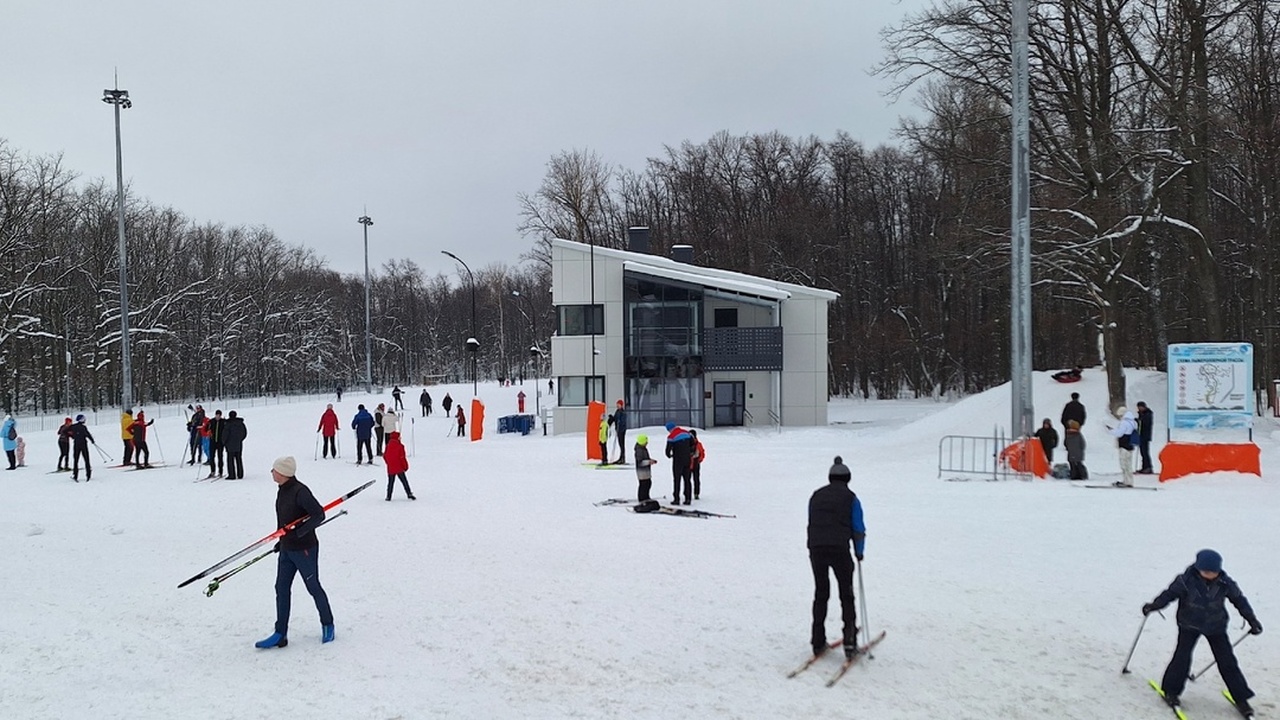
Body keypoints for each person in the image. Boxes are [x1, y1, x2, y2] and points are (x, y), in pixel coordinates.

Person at [1143, 549, 1262, 716]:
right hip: (1189, 625)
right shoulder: (1185, 580)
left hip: (1216, 626)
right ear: (1198, 568)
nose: (1209, 575)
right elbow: (1169, 594)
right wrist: (1154, 605)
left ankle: (1241, 698)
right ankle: (1171, 691)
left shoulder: (1225, 583)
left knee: (1227, 661)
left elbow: (1239, 600)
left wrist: (1252, 619)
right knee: (1182, 658)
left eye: (1213, 572)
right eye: (1206, 571)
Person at [255, 456, 335, 649]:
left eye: (274, 469)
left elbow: (319, 515)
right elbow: (283, 520)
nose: (272, 472)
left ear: (283, 472)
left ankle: (327, 624)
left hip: (305, 549)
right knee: (281, 589)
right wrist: (281, 540)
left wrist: (299, 532)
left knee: (313, 587)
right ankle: (280, 633)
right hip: (287, 549)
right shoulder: (282, 490)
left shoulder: (301, 491)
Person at [807, 456, 867, 660]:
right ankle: (850, 642)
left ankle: (817, 641)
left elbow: (812, 521)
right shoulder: (851, 498)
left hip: (816, 549)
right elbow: (858, 529)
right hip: (840, 549)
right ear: (848, 478)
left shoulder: (816, 495)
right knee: (846, 595)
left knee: (821, 593)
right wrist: (859, 552)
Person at [664, 422, 694, 505]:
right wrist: (690, 451)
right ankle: (688, 498)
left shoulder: (671, 437)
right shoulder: (687, 433)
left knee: (677, 480)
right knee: (687, 480)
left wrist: (669, 455)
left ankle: (676, 499)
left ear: (670, 429)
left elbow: (667, 450)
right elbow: (693, 443)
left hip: (677, 460)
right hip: (687, 459)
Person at [1107, 405, 1138, 488]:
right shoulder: (1133, 422)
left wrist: (1111, 431)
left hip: (1124, 445)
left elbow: (1120, 433)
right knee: (1129, 464)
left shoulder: (1124, 422)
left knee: (1124, 464)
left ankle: (1127, 481)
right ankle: (1129, 480)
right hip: (1130, 445)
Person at [382, 431, 415, 501]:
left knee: (390, 482)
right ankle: (409, 493)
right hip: (399, 467)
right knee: (404, 481)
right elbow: (402, 458)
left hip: (391, 467)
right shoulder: (400, 446)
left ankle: (388, 496)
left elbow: (385, 456)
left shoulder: (388, 446)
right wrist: (405, 466)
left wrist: (388, 463)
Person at [67, 414, 96, 482]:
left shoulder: (73, 426)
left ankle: (75, 475)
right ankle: (88, 474)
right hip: (83, 444)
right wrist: (92, 440)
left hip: (76, 444)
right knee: (86, 459)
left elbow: (67, 431)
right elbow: (87, 434)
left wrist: (73, 436)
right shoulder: (83, 427)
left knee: (76, 460)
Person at [223, 410, 247, 479]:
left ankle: (232, 475)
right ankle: (240, 474)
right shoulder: (240, 423)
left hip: (230, 445)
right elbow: (244, 433)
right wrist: (240, 439)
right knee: (239, 459)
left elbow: (225, 435)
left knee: (230, 460)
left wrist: (224, 442)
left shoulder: (228, 424)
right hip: (238, 444)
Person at [634, 434, 657, 501]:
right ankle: (642, 498)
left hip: (645, 470)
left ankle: (646, 497)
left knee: (648, 483)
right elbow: (640, 462)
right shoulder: (639, 450)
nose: (647, 443)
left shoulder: (643, 449)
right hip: (642, 471)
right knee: (644, 485)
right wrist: (649, 462)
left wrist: (650, 460)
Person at [206, 409, 226, 479]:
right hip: (213, 442)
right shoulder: (211, 421)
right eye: (216, 415)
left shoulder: (223, 422)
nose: (218, 417)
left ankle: (220, 471)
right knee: (212, 457)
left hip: (220, 442)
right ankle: (212, 471)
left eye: (219, 415)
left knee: (220, 457)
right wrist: (208, 431)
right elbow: (206, 428)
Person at [1136, 401, 1155, 474]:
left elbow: (1145, 422)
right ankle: (1144, 467)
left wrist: (1139, 420)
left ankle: (1148, 467)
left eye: (1140, 407)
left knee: (1145, 452)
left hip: (1145, 435)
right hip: (1141, 435)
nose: (1139, 409)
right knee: (1142, 452)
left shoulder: (1148, 414)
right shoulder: (1142, 414)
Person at [610, 399, 628, 464]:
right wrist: (612, 418)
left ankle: (623, 458)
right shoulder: (617, 411)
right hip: (618, 430)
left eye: (618, 405)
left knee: (622, 444)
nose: (617, 406)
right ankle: (621, 457)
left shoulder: (623, 412)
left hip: (621, 430)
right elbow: (615, 418)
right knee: (620, 444)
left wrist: (620, 423)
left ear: (621, 405)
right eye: (617, 405)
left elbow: (623, 421)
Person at [690, 429, 706, 500]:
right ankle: (688, 493)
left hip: (695, 464)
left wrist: (699, 460)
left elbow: (702, 453)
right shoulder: (688, 443)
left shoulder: (698, 444)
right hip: (689, 464)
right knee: (688, 480)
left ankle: (696, 493)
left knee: (696, 479)